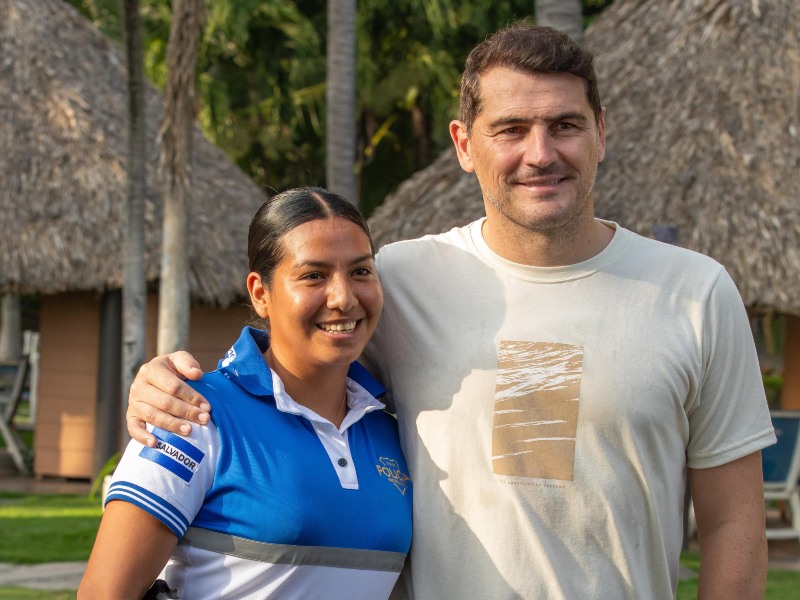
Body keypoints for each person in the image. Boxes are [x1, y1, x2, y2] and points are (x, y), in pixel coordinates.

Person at [125, 25, 774, 599]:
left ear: (601, 133)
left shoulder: (695, 294)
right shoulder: (402, 280)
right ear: (465, 144)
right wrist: (165, 385)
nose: (541, 153)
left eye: (565, 125)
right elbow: (286, 362)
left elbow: (734, 525)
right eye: (511, 130)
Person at [79, 188, 412, 599]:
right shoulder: (192, 415)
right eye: (314, 275)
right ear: (260, 293)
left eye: (360, 271)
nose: (343, 297)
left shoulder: (391, 431)